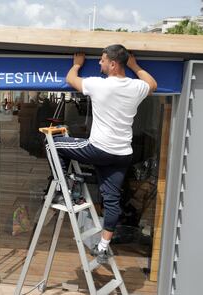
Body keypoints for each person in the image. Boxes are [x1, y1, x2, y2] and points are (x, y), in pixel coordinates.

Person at [53, 44, 157, 263]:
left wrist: (77, 64)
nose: (99, 63)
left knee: (53, 143)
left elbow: (71, 79)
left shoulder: (99, 85)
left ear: (112, 64)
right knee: (112, 200)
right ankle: (102, 247)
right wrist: (135, 66)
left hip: (99, 149)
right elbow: (153, 84)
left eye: (101, 60)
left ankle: (65, 190)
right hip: (121, 154)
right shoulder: (136, 87)